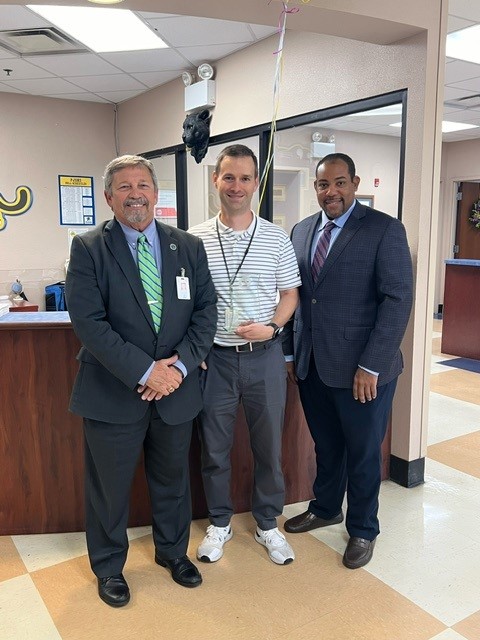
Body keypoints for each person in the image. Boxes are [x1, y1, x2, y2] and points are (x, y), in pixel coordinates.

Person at [65, 155, 217, 607]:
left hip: (176, 391)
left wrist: (177, 369)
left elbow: (206, 313)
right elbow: (89, 323)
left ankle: (173, 553)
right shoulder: (89, 247)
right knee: (108, 488)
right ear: (109, 197)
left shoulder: (186, 246)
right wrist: (147, 370)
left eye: (144, 185)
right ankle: (109, 566)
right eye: (125, 186)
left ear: (156, 193)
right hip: (113, 393)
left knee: (172, 479)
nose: (136, 194)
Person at [284, 153, 413, 569]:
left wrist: (371, 365)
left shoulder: (384, 230)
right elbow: (295, 296)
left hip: (363, 372)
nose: (331, 192)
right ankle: (325, 508)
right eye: (323, 185)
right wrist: (290, 351)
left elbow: (397, 302)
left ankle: (362, 529)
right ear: (315, 187)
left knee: (361, 452)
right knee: (327, 445)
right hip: (313, 364)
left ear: (354, 183)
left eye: (339, 183)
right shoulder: (302, 231)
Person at [188, 144, 301, 566]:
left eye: (245, 178)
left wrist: (272, 326)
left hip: (264, 356)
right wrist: (194, 346)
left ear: (257, 183)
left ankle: (268, 524)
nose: (237, 186)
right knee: (214, 448)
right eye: (229, 177)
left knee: (268, 446)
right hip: (214, 359)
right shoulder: (194, 238)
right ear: (215, 180)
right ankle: (220, 523)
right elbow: (189, 301)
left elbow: (290, 293)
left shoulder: (275, 236)